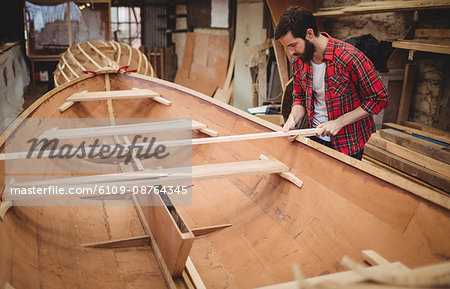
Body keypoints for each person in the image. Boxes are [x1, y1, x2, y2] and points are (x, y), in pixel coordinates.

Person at [275, 7, 389, 160]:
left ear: (309, 34)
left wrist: (339, 122)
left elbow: (379, 98)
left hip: (348, 142)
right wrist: (292, 120)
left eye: (293, 45)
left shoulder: (349, 58)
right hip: (313, 135)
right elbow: (299, 98)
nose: (290, 52)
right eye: (287, 47)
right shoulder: (299, 61)